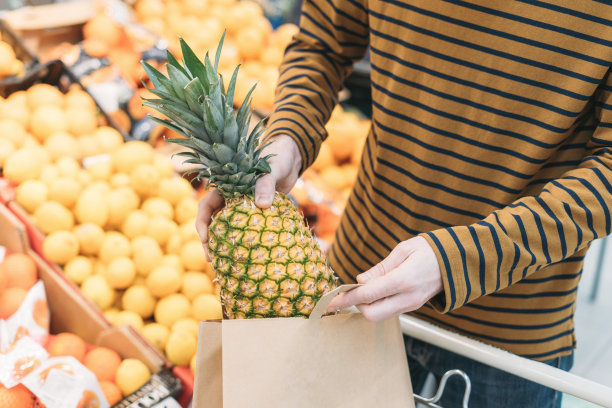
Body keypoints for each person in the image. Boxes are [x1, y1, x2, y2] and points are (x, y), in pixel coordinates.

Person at [196, 1, 612, 406]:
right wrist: (289, 135)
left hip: (507, 333)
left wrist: (460, 259)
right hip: (346, 289)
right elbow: (323, 42)